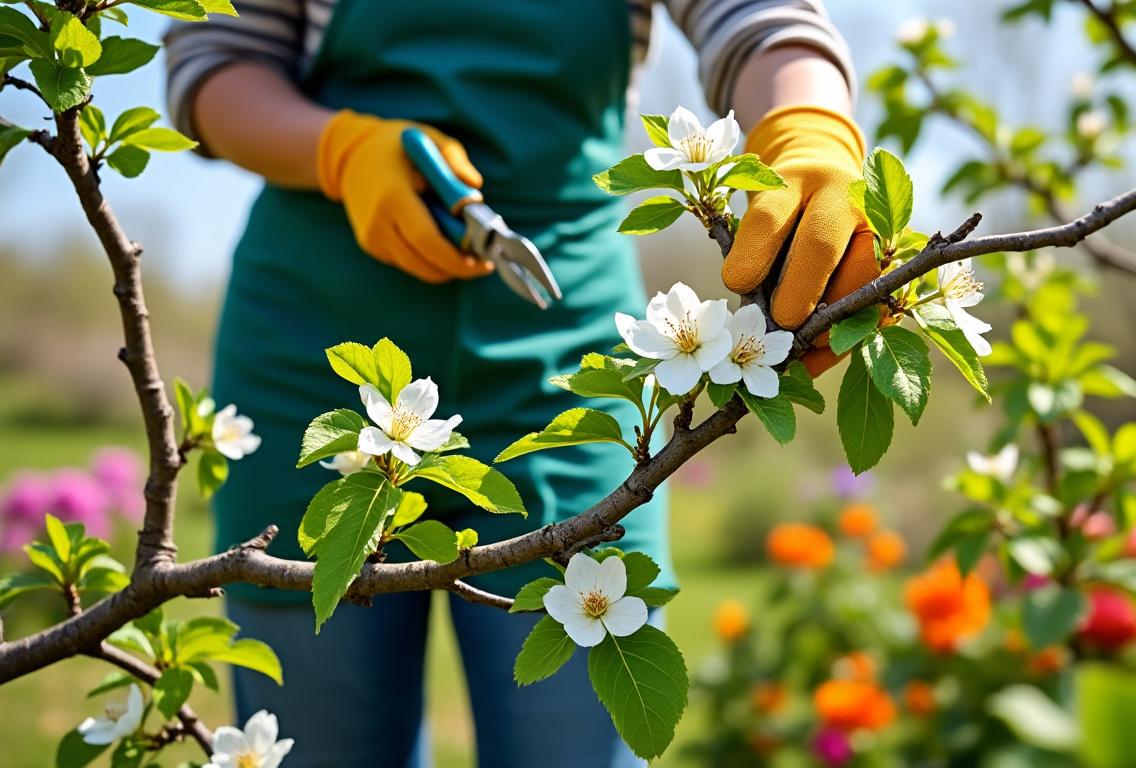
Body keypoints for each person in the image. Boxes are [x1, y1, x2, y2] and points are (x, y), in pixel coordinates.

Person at [164, 1, 874, 765]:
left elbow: (761, 20)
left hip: (566, 352)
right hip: (315, 348)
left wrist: (808, 127)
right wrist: (337, 149)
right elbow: (213, 60)